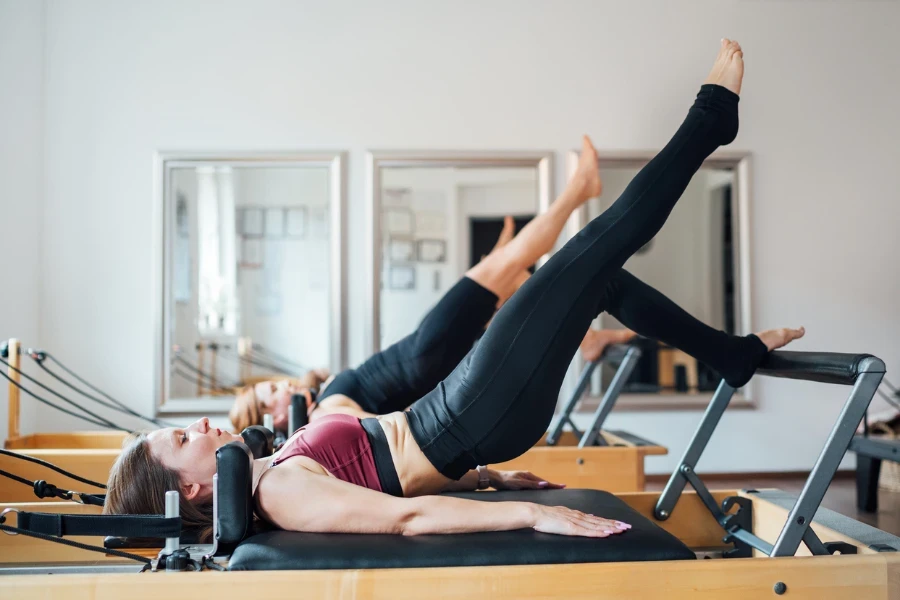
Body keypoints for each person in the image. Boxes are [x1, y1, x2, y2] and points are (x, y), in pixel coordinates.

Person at [107, 40, 804, 540]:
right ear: (190, 488)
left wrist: (486, 481)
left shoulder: (270, 472)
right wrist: (532, 513)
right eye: (180, 438)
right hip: (473, 410)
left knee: (600, 277)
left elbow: (394, 476)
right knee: (593, 249)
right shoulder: (283, 491)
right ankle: (711, 121)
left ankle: (728, 355)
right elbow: (407, 516)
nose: (198, 426)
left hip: (470, 417)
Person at [231, 197, 633, 432]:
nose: (282, 389)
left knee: (513, 304)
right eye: (272, 398)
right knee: (512, 265)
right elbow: (384, 431)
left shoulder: (320, 399)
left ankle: (587, 336)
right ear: (273, 419)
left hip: (429, 357)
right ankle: (578, 190)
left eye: (273, 387)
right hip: (428, 351)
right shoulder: (325, 414)